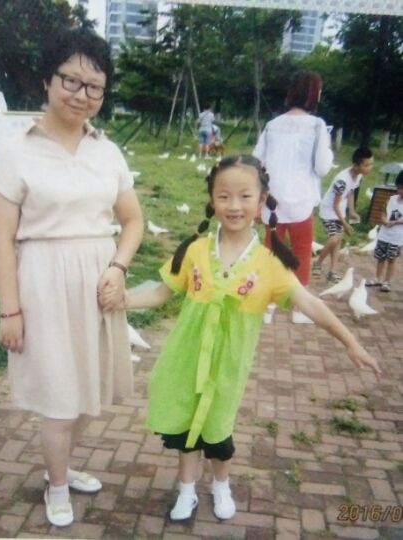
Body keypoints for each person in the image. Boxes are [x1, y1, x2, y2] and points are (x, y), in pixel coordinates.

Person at [120, 155, 380, 522]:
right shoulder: (195, 250)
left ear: (261, 202)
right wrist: (124, 300)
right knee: (185, 428)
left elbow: (310, 303)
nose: (234, 205)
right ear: (212, 200)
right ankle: (187, 489)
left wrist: (350, 341)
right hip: (185, 359)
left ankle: (221, 485)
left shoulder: (269, 264)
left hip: (228, 368)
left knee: (217, 432)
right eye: (224, 196)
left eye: (245, 196)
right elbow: (162, 292)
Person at [0, 29, 144, 528]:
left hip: (98, 286)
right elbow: (1, 240)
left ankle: (63, 467)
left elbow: (133, 221)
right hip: (43, 285)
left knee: (86, 397)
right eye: (70, 80)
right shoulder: (16, 151)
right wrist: (10, 311)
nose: (81, 94)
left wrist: (118, 267)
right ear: (48, 81)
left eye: (94, 86)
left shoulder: (107, 151)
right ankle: (56, 486)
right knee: (58, 399)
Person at [253, 70, 333, 324]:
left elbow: (256, 161)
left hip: (272, 201)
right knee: (301, 251)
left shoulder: (272, 125)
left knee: (271, 251)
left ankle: (267, 306)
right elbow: (322, 167)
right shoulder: (317, 125)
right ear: (314, 94)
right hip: (301, 200)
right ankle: (299, 309)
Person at [314, 147, 374, 282]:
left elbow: (351, 192)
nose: (369, 168)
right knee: (334, 239)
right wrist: (345, 223)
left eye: (371, 164)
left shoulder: (358, 176)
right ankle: (318, 262)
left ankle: (332, 272)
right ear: (355, 165)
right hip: (329, 211)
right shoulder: (342, 180)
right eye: (366, 165)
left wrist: (352, 211)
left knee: (337, 242)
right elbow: (335, 205)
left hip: (340, 210)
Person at [366, 171, 403, 292]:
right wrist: (384, 219)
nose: (400, 191)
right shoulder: (391, 199)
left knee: (391, 259)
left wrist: (395, 222)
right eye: (399, 188)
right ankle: (377, 278)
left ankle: (387, 281)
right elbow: (383, 212)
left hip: (397, 237)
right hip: (384, 234)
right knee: (380, 257)